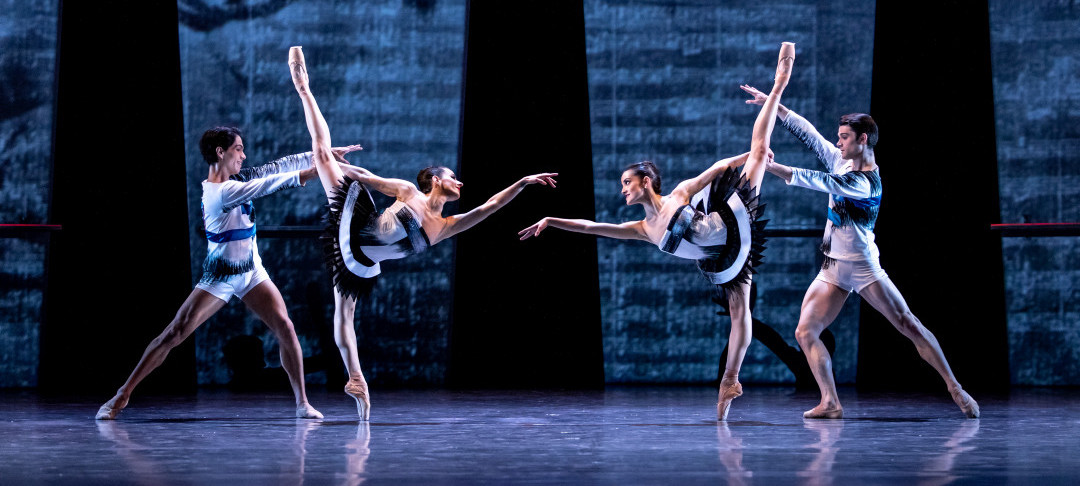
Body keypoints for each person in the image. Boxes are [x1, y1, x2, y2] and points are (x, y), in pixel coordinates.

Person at [519, 42, 796, 420]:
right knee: (738, 310)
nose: (623, 190)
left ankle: (779, 83)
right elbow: (594, 227)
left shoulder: (678, 194)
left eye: (626, 183)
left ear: (646, 181)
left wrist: (744, 159)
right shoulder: (641, 228)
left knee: (760, 148)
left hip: (730, 221)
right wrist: (553, 220)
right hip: (724, 256)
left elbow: (714, 171)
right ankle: (730, 380)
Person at [288, 46, 559, 420]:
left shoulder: (447, 226)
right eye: (453, 176)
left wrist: (524, 182)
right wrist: (333, 166)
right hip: (356, 224)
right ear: (435, 180)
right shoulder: (408, 191)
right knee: (320, 154)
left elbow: (491, 206)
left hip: (361, 258)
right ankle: (303, 87)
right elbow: (367, 178)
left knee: (345, 315)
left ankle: (356, 379)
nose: (460, 182)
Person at [739, 84, 980, 419]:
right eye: (838, 137)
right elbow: (808, 134)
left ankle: (955, 387)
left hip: (863, 266)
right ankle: (831, 402)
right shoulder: (841, 160)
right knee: (805, 331)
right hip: (832, 267)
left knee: (908, 324)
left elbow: (819, 181)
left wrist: (770, 167)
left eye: (844, 137)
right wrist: (773, 104)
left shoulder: (866, 182)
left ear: (863, 139)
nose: (838, 143)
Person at [94, 126, 359, 420]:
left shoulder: (237, 178)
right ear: (220, 152)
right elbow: (272, 183)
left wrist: (320, 155)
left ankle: (302, 403)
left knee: (285, 326)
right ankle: (122, 394)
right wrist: (317, 170)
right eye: (238, 149)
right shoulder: (219, 193)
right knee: (175, 332)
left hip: (251, 270)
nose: (243, 156)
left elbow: (278, 166)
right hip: (221, 274)